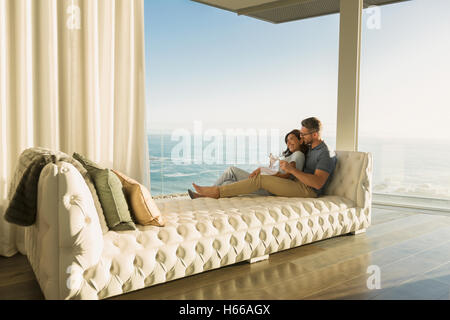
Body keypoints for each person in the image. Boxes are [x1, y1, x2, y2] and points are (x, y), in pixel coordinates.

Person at [190, 117, 337, 199]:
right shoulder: (310, 148)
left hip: (308, 191)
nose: (302, 137)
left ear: (315, 135)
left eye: (303, 135)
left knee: (260, 179)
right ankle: (211, 193)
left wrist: (292, 171)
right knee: (235, 178)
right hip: (297, 184)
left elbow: (317, 184)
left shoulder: (325, 153)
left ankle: (215, 192)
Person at [188, 129, 308, 198]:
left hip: (270, 188)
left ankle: (208, 193)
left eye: (291, 138)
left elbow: (288, 177)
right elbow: (281, 173)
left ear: (300, 140)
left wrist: (263, 171)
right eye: (287, 141)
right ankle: (205, 195)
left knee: (231, 171)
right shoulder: (291, 155)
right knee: (228, 182)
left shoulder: (298, 155)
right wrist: (271, 165)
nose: (288, 143)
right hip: (268, 185)